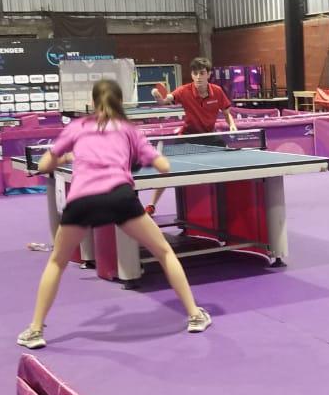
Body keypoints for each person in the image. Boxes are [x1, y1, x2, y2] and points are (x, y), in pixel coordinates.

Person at [17, 79, 211, 348]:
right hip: (119, 197)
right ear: (120, 102)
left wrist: (66, 157)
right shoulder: (129, 130)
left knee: (57, 262)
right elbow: (164, 167)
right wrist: (150, 158)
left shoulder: (77, 127)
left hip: (82, 200)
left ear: (92, 102)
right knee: (164, 252)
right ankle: (195, 315)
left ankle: (35, 330)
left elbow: (42, 165)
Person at [146, 56, 238, 215]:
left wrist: (232, 124)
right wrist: (159, 98)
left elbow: (227, 112)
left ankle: (231, 199)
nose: (198, 77)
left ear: (208, 74)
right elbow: (167, 100)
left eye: (202, 73)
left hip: (209, 136)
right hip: (187, 137)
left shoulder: (217, 91)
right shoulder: (184, 90)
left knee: (231, 161)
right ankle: (151, 204)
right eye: (195, 73)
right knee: (166, 169)